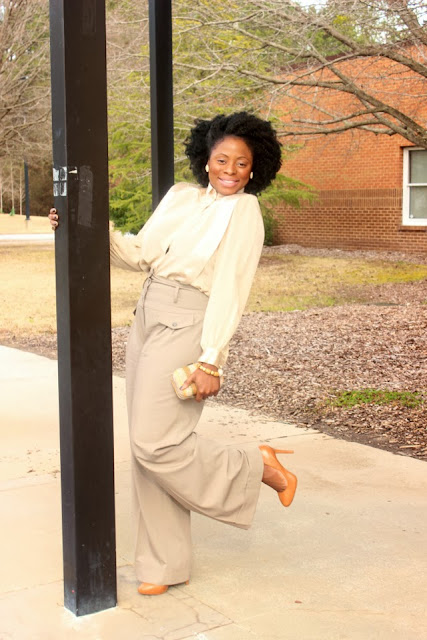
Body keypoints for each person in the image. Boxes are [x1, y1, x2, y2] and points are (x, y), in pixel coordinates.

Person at [49, 111, 297, 596]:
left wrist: (212, 358)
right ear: (206, 160)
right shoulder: (181, 197)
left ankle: (257, 467)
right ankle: (164, 565)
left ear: (255, 169)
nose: (230, 170)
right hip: (148, 311)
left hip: (190, 320)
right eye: (222, 159)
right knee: (147, 447)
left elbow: (231, 289)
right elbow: (139, 253)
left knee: (155, 441)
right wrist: (79, 228)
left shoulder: (245, 212)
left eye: (241, 163)